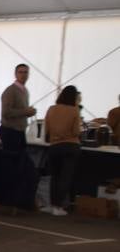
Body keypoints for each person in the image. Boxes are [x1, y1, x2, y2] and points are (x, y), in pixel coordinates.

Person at [0, 62, 37, 209]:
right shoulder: (10, 91)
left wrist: (26, 112)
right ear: (15, 74)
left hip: (19, 132)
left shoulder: (25, 91)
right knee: (11, 168)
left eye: (26, 72)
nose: (23, 75)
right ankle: (7, 199)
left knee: (20, 168)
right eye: (21, 72)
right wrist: (26, 112)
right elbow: (6, 113)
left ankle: (16, 199)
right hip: (10, 132)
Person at [43, 85, 83, 216]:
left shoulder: (51, 109)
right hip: (71, 146)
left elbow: (46, 130)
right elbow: (76, 131)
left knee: (54, 177)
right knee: (65, 178)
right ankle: (58, 206)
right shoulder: (74, 111)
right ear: (74, 97)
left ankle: (52, 204)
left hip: (54, 146)